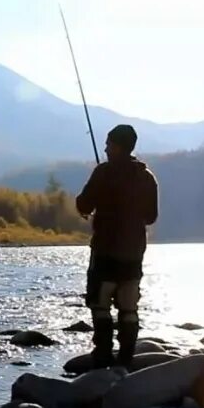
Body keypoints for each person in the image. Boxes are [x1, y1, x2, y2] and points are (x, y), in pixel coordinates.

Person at [74, 124, 159, 368]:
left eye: (109, 144)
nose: (105, 148)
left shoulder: (103, 172)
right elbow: (151, 217)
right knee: (129, 307)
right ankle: (126, 359)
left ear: (118, 146)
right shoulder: (147, 177)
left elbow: (84, 204)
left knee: (100, 304)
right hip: (133, 255)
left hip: (105, 253)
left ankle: (102, 356)